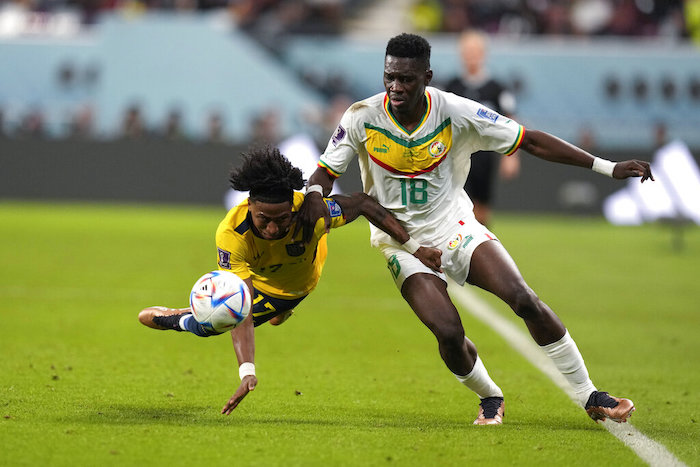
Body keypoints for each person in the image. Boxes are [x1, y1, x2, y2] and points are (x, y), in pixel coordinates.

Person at [299, 33, 653, 425]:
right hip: (399, 242)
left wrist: (608, 167)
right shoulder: (361, 117)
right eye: (389, 77)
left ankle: (590, 394)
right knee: (448, 332)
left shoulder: (455, 111)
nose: (396, 87)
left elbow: (529, 141)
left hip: (457, 226)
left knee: (523, 298)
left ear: (427, 76)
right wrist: (312, 192)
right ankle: (490, 395)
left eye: (406, 79)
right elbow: (324, 174)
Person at [138, 146, 442, 414]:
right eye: (263, 219)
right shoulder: (231, 235)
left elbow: (364, 204)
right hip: (267, 287)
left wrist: (415, 248)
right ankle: (177, 319)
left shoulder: (312, 213)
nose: (272, 228)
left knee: (276, 306)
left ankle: (281, 311)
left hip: (303, 281)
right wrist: (247, 371)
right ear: (249, 207)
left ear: (292, 209)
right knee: (214, 324)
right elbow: (240, 309)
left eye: (281, 219)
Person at [443, 29, 520, 227]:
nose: (471, 57)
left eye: (475, 51)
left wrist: (511, 157)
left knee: (481, 207)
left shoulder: (497, 89)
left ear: (484, 54)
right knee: (456, 207)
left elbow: (510, 123)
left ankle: (480, 250)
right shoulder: (451, 86)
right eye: (467, 51)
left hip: (484, 155)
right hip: (455, 154)